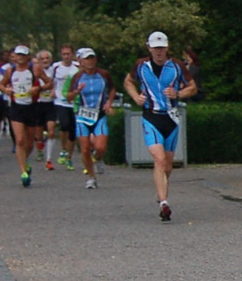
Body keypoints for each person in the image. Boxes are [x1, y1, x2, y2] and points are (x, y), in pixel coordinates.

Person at [125, 31, 198, 220]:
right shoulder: (141, 65)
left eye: (162, 48)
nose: (158, 52)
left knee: (167, 165)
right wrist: (135, 97)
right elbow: (128, 82)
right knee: (159, 159)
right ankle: (164, 203)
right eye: (155, 48)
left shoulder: (177, 66)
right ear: (149, 48)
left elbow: (192, 87)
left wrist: (178, 94)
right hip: (151, 116)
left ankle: (161, 194)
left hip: (171, 119)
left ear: (167, 48)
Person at [68, 48, 115, 188]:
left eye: (92, 58)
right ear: (81, 61)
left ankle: (98, 158)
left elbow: (112, 89)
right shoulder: (77, 77)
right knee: (85, 148)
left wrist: (109, 102)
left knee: (101, 147)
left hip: (99, 115)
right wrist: (77, 91)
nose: (90, 61)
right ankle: (91, 178)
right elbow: (69, 97)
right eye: (87, 59)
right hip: (83, 116)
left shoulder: (103, 74)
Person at [3, 46, 42, 186]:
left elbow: (49, 83)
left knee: (30, 143)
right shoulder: (10, 70)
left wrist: (38, 88)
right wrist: (6, 89)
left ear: (27, 57)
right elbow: (1, 85)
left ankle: (25, 161)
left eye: (22, 55)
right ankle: (23, 172)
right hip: (16, 108)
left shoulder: (34, 69)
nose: (19, 57)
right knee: (19, 140)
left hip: (31, 107)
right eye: (17, 55)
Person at [47, 44, 81, 169]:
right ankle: (63, 149)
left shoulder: (77, 67)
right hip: (60, 101)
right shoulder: (56, 67)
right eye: (64, 54)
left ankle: (69, 157)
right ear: (61, 55)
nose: (66, 56)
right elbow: (51, 81)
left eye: (68, 54)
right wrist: (52, 90)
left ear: (72, 55)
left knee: (72, 132)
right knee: (64, 124)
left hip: (74, 102)